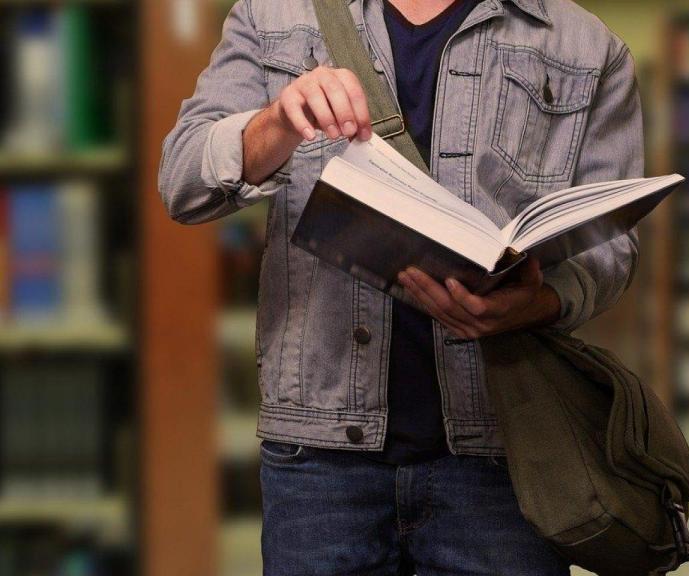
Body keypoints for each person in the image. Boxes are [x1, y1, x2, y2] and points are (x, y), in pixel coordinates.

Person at [159, 0, 642, 573]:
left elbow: (613, 244)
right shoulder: (273, 17)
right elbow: (183, 180)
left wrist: (543, 300)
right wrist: (278, 123)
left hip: (503, 456)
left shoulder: (586, 47)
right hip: (319, 462)